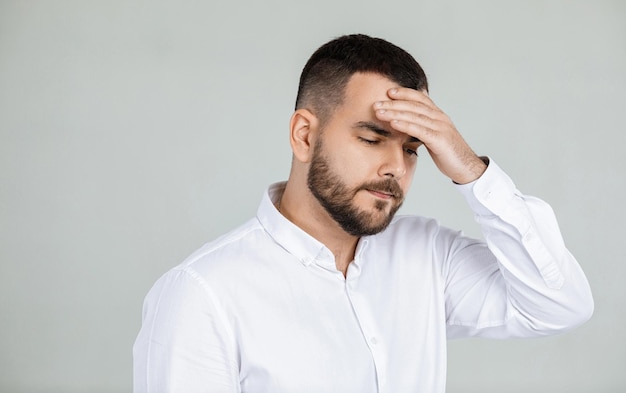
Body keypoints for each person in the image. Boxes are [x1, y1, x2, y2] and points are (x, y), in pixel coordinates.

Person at [133, 34, 593, 393]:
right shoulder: (203, 295)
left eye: (413, 148)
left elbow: (558, 304)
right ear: (304, 136)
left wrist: (471, 170)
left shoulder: (427, 258)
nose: (396, 167)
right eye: (372, 140)